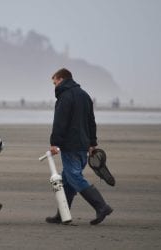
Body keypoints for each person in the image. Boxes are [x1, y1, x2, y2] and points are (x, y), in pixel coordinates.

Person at [46, 68, 113, 225]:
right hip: (83, 145)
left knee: (74, 176)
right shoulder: (84, 95)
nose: (54, 84)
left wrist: (55, 143)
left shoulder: (65, 96)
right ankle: (63, 214)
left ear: (61, 79)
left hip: (71, 145)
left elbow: (60, 122)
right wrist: (92, 143)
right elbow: (91, 121)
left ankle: (102, 206)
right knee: (68, 179)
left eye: (54, 81)